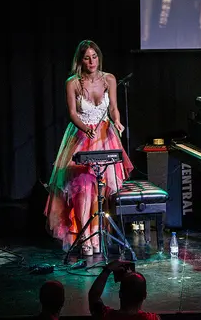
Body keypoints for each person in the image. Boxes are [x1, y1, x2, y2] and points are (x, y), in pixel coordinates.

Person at [44, 40, 133, 256]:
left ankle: (97, 233)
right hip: (82, 136)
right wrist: (85, 128)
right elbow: (73, 113)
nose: (91, 61)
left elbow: (113, 107)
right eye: (87, 57)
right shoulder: (73, 83)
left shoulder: (109, 79)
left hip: (104, 136)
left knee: (99, 189)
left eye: (94, 57)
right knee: (83, 188)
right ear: (80, 60)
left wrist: (117, 121)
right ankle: (84, 237)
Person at [89, 260, 160, 320]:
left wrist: (107, 270)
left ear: (120, 294)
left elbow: (93, 297)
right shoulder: (152, 318)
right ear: (144, 295)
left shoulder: (107, 316)